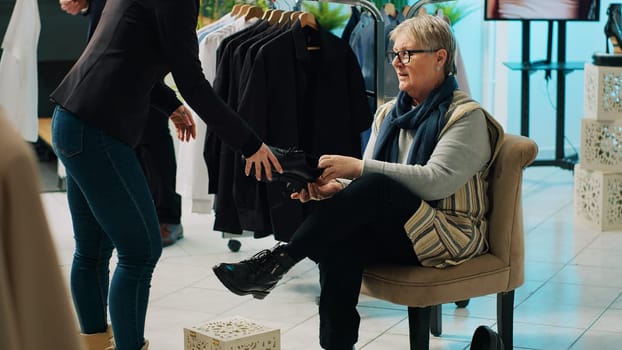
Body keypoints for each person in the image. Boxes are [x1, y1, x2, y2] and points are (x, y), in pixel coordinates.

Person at [213, 15, 504, 350]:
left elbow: (434, 183)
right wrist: (337, 189)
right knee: (341, 240)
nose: (397, 62)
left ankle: (278, 263)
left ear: (440, 57)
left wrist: (357, 169)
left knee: (374, 184)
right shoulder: (389, 114)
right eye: (394, 54)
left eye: (407, 54)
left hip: (449, 233)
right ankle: (336, 345)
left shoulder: (465, 117)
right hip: (405, 228)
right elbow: (374, 189)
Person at [50, 1, 282, 349]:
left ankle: (94, 341)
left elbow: (123, 51)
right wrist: (248, 143)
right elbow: (192, 80)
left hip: (71, 120)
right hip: (97, 130)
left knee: (92, 250)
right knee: (140, 250)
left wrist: (169, 104)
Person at [60, 0, 185, 247]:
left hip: (141, 37)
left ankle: (166, 216)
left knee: (153, 136)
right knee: (122, 138)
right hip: (105, 44)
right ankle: (133, 215)